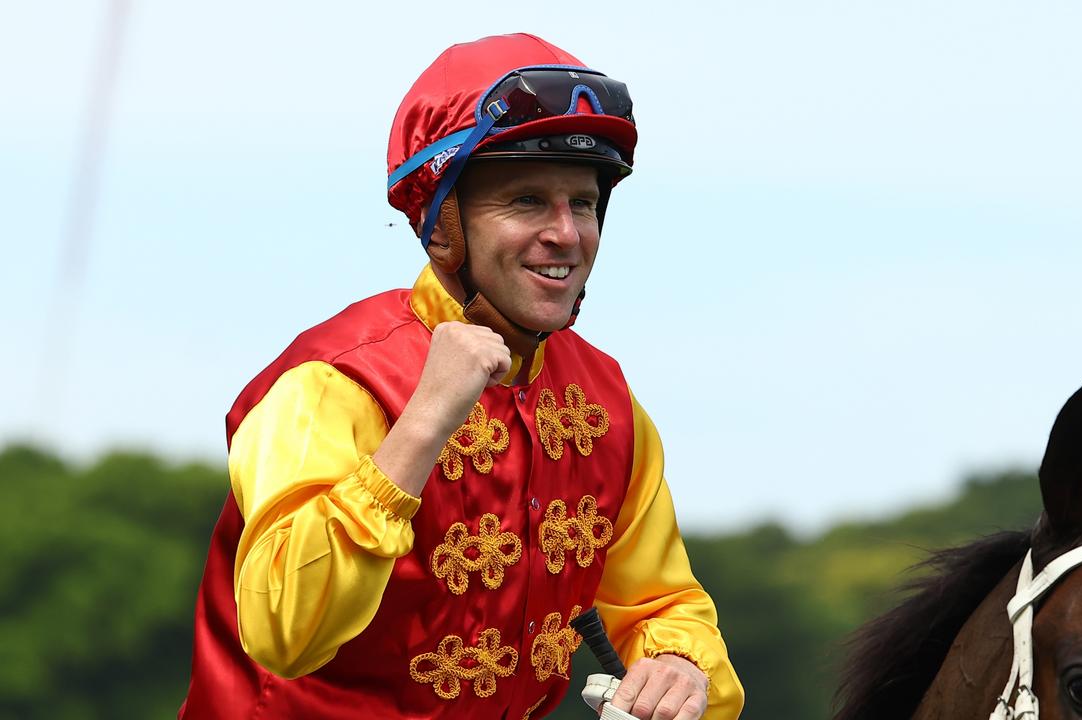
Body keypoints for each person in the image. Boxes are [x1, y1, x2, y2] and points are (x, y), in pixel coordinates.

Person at [180, 33, 744, 720]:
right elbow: (283, 634)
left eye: (584, 203)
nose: (567, 233)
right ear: (445, 224)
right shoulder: (327, 384)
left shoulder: (608, 402)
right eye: (528, 201)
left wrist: (679, 664)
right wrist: (422, 423)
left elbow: (661, 602)